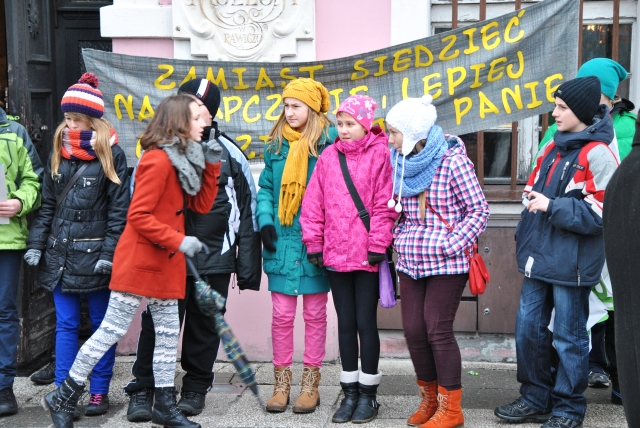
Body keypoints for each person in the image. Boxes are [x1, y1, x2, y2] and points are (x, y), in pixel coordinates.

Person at [40, 93, 222, 428]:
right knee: (110, 330)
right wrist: (179, 240)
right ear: (180, 120)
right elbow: (138, 215)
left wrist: (211, 165)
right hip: (141, 261)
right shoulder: (157, 160)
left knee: (168, 335)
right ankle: (63, 395)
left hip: (165, 264)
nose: (206, 121)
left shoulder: (182, 157)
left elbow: (200, 205)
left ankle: (165, 406)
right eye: (198, 116)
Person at [124, 78, 261, 421]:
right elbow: (135, 206)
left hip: (213, 256)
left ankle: (195, 389)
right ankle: (143, 389)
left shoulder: (229, 152)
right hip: (165, 256)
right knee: (157, 325)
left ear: (210, 115)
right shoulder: (155, 151)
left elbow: (248, 211)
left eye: (198, 107)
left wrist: (246, 265)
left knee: (204, 325)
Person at [495, 76, 618, 428]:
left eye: (562, 108)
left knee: (570, 338)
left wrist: (551, 206)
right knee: (528, 330)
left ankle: (568, 408)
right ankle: (535, 398)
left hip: (573, 263)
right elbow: (532, 186)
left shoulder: (598, 153)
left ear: (580, 111)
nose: (555, 113)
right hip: (539, 257)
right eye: (556, 105)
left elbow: (601, 214)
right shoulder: (552, 146)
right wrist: (533, 200)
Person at [23, 73, 129, 417]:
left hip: (96, 257)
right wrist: (38, 244)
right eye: (66, 118)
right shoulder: (59, 151)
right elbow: (49, 206)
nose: (67, 124)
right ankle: (62, 390)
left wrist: (109, 254)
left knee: (101, 325)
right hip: (61, 256)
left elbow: (118, 212)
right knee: (66, 324)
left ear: (91, 120)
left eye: (74, 119)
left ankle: (99, 392)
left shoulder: (111, 155)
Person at [386, 95, 489, 428]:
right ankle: (429, 400)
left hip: (447, 261)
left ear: (413, 132)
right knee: (414, 331)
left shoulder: (452, 161)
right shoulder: (400, 162)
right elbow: (399, 209)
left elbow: (479, 211)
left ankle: (451, 408)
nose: (389, 140)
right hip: (412, 260)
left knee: (437, 331)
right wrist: (398, 236)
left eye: (394, 133)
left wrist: (451, 244)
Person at [539, 59, 634, 404]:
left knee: (616, 310)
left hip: (619, 228)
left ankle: (624, 384)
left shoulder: (628, 127)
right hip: (570, 231)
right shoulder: (558, 132)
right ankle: (585, 371)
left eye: (600, 99)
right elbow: (544, 173)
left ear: (610, 99)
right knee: (572, 312)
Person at [300, 95, 397, 424]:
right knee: (345, 323)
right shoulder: (329, 157)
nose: (343, 130)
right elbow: (313, 203)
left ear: (365, 124)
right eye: (339, 124)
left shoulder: (380, 155)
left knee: (365, 323)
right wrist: (314, 242)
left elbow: (385, 202)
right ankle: (349, 392)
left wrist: (378, 242)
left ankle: (368, 395)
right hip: (335, 254)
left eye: (350, 124)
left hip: (367, 254)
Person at [257, 78, 337, 414]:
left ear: (312, 109)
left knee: (316, 315)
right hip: (282, 243)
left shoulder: (329, 145)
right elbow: (265, 189)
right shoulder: (275, 145)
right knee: (281, 316)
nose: (289, 112)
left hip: (315, 242)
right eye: (286, 106)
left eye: (296, 106)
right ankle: (281, 384)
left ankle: (310, 385)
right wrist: (265, 222)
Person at [0, 107, 43, 416]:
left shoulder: (15, 133)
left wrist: (19, 202)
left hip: (6, 239)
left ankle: (3, 385)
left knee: (4, 310)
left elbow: (35, 181)